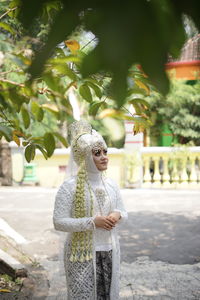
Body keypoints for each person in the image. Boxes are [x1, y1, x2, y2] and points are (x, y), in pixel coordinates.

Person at [53, 120, 128, 300]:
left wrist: (116, 215)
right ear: (85, 157)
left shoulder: (111, 184)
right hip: (81, 255)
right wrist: (92, 222)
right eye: (97, 153)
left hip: (110, 250)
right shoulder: (69, 187)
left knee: (107, 295)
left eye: (105, 152)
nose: (104, 157)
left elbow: (123, 211)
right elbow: (59, 221)